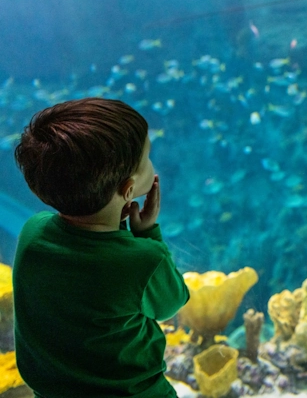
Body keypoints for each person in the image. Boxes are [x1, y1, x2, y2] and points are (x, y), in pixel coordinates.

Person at [12, 97, 190, 398]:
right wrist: (147, 235)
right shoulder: (144, 260)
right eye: (147, 158)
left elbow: (89, 267)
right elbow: (171, 303)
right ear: (129, 189)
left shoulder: (33, 235)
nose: (152, 164)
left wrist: (116, 226)